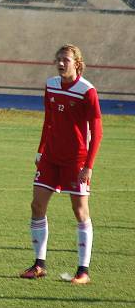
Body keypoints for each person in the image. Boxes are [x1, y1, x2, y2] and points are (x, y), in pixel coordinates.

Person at [20, 44, 102, 285]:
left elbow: (97, 132)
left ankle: (83, 271)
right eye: (58, 59)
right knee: (37, 205)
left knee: (80, 212)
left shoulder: (88, 91)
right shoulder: (51, 85)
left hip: (76, 160)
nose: (61, 63)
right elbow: (48, 121)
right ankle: (39, 265)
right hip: (50, 158)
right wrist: (40, 150)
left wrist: (89, 165)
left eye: (66, 59)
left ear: (77, 63)